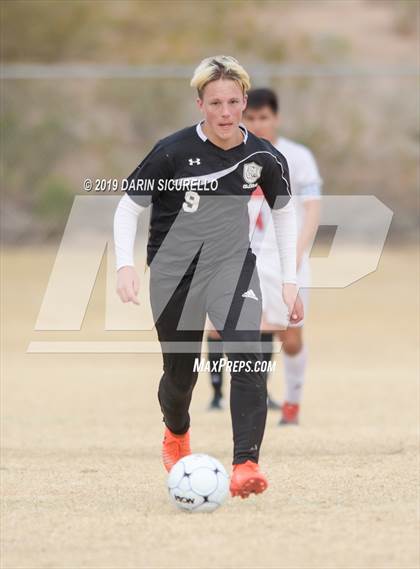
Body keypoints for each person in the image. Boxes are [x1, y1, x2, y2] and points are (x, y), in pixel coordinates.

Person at [113, 56, 303, 499]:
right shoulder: (172, 151)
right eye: (215, 102)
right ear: (200, 103)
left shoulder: (263, 156)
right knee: (180, 376)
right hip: (174, 273)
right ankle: (175, 432)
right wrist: (125, 264)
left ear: (243, 102)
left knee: (248, 356)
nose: (225, 112)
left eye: (233, 102)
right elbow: (128, 206)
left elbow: (285, 211)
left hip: (233, 267)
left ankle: (246, 465)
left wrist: (289, 279)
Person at [244, 88, 322, 425]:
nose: (258, 124)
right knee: (246, 332)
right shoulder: (234, 154)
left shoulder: (298, 156)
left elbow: (313, 208)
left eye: (264, 117)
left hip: (287, 260)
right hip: (248, 258)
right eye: (251, 118)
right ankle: (253, 404)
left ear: (276, 118)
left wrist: (297, 253)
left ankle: (293, 401)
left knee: (289, 338)